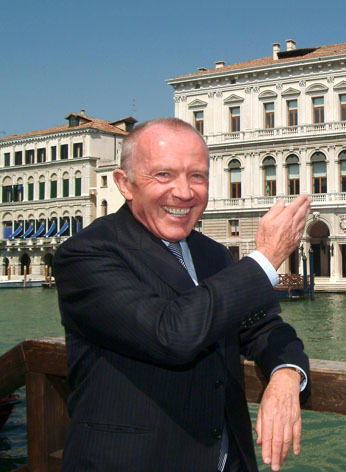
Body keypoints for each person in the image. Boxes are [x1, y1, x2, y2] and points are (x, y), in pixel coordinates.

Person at [54, 117, 312, 472]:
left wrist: (286, 374)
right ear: (125, 183)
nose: (185, 192)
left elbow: (264, 327)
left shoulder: (213, 254)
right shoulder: (86, 254)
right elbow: (171, 333)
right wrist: (265, 258)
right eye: (164, 175)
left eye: (197, 176)